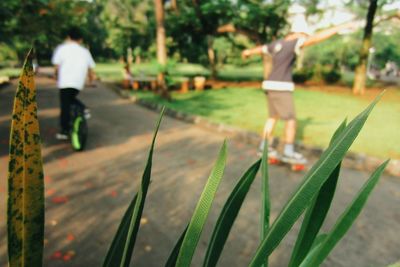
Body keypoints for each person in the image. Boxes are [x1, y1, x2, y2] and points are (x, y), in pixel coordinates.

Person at [242, 21, 358, 164]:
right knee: (290, 121)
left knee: (272, 117)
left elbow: (261, 49)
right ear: (296, 33)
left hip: (269, 85)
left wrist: (247, 52)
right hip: (281, 87)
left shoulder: (277, 44)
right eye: (303, 35)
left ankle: (263, 148)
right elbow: (315, 39)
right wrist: (341, 27)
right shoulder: (293, 43)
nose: (303, 39)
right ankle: (288, 152)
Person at [52, 27, 96, 140]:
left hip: (65, 82)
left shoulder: (62, 49)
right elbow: (91, 69)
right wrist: (91, 81)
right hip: (78, 83)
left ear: (68, 37)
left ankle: (64, 131)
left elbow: (56, 67)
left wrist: (56, 76)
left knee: (65, 105)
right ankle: (82, 108)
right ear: (80, 39)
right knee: (71, 97)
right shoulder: (85, 51)